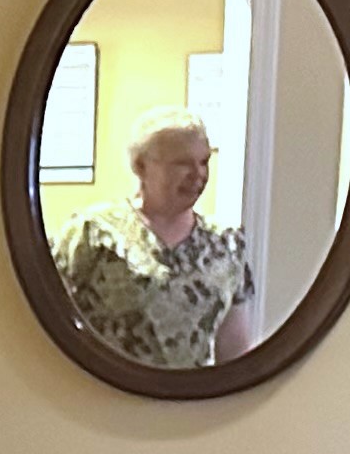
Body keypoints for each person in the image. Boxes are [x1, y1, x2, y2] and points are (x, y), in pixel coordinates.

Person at [50, 106, 260, 369]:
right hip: (105, 399)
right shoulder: (93, 233)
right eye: (182, 164)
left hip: (190, 403)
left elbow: (234, 352)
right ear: (140, 166)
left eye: (204, 162)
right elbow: (49, 322)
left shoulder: (226, 244)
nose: (198, 175)